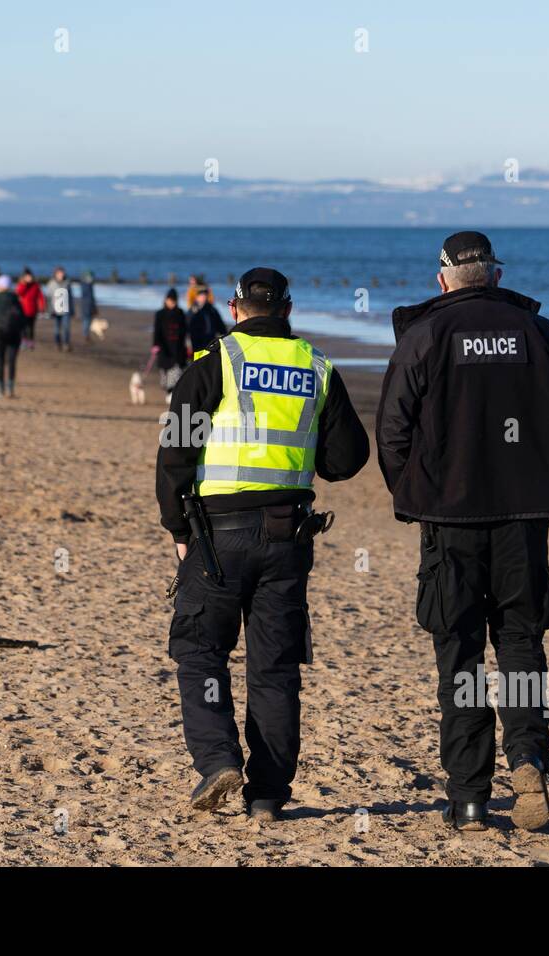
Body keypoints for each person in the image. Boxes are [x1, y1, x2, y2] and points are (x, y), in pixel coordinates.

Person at [375, 231, 549, 833]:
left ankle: (471, 798)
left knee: (461, 656)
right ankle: (527, 757)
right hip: (524, 516)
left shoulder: (426, 334)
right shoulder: (539, 332)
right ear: (496, 276)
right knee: (522, 643)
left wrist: (418, 491)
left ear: (443, 278)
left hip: (449, 519)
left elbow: (392, 433)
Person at [156, 268, 369, 821]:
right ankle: (268, 795)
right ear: (288, 309)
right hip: (288, 534)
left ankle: (217, 759)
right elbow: (346, 460)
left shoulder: (216, 362)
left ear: (235, 308)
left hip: (218, 534)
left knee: (200, 650)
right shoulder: (319, 367)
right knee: (274, 667)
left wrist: (177, 529)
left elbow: (175, 450)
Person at [0, 274, 25, 397]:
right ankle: (11, 388)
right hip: (14, 334)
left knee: (0, 361)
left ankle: (1, 390)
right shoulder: (15, 299)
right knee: (12, 361)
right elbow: (22, 318)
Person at [151, 288, 188, 399]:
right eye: (170, 300)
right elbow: (157, 331)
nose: (172, 303)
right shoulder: (160, 314)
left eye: (174, 300)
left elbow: (184, 331)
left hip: (178, 349)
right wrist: (155, 345)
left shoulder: (180, 313)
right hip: (164, 348)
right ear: (166, 300)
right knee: (164, 376)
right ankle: (168, 391)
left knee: (176, 372)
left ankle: (171, 393)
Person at [186, 286, 226, 355]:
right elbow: (187, 327)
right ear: (197, 297)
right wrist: (187, 343)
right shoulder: (192, 310)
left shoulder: (212, 310)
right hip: (196, 343)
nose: (203, 297)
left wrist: (225, 336)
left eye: (205, 295)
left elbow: (220, 325)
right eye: (201, 295)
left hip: (210, 341)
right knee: (197, 362)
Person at [15, 268, 45, 350]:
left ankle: (31, 343)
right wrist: (25, 284)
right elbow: (18, 293)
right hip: (23, 310)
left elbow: (41, 296)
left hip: (33, 310)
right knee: (23, 328)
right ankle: (23, 343)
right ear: (24, 277)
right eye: (27, 277)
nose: (29, 278)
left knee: (31, 328)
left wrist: (42, 307)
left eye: (30, 276)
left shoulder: (36, 285)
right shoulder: (21, 285)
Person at [45, 266, 74, 351]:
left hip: (66, 310)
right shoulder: (51, 283)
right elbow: (48, 298)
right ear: (56, 274)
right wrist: (49, 310)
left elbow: (70, 297)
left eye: (62, 273)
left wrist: (72, 309)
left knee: (66, 328)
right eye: (59, 273)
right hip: (55, 309)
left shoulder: (67, 283)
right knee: (57, 328)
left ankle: (66, 344)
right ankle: (57, 343)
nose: (61, 274)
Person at [78, 269, 98, 343]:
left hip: (88, 305)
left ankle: (86, 334)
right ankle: (85, 335)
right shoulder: (86, 285)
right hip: (87, 305)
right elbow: (89, 296)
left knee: (87, 320)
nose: (92, 278)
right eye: (91, 277)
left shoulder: (87, 284)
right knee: (87, 320)